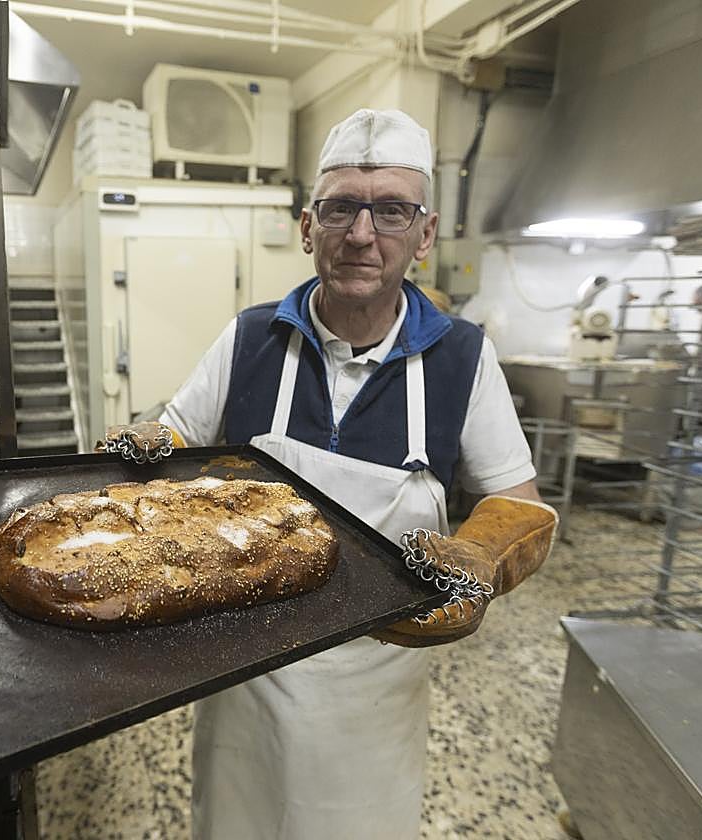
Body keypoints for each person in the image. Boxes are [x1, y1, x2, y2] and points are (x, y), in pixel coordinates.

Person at [110, 109, 559, 839]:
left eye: (391, 210)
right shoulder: (251, 336)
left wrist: (480, 556)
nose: (361, 234)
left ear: (426, 232)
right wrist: (149, 438)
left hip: (378, 688)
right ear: (306, 225)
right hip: (245, 671)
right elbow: (180, 431)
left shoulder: (463, 360)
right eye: (341, 206)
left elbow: (520, 504)